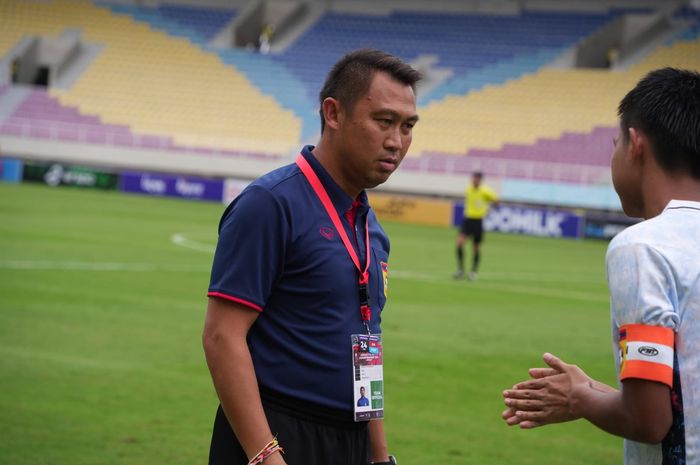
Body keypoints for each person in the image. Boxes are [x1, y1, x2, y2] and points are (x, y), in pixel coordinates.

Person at [203, 48, 420, 465]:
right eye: (384, 121)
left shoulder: (372, 229)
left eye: (408, 126)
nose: (396, 141)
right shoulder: (270, 204)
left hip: (350, 440)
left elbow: (367, 348)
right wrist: (266, 456)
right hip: (277, 436)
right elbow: (221, 336)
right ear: (333, 114)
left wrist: (378, 457)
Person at [501, 67, 700, 464]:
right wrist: (590, 389)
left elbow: (650, 422)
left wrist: (578, 399)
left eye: (615, 143)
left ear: (635, 144)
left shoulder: (644, 247)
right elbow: (682, 401)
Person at [453, 171, 497, 280]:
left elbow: (496, 201)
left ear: (480, 180)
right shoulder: (468, 189)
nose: (475, 180)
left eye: (477, 178)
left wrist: (489, 209)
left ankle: (473, 271)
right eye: (474, 178)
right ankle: (461, 270)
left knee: (476, 248)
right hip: (468, 220)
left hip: (478, 221)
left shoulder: (486, 191)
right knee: (459, 243)